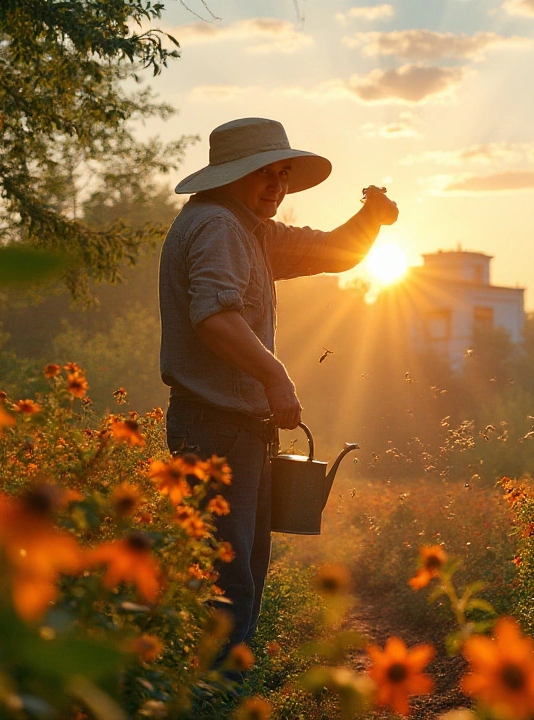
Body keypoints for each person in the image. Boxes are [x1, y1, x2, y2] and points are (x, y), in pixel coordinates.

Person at [158, 117, 398, 659]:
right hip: (215, 429)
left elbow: (334, 252)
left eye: (283, 174)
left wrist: (371, 217)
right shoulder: (219, 225)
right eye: (263, 174)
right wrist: (276, 375)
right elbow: (214, 317)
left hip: (237, 430)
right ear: (227, 176)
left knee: (237, 573)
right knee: (225, 584)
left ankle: (217, 694)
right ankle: (210, 700)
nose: (277, 186)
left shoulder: (252, 231)